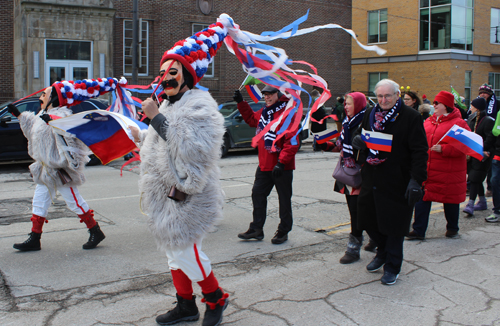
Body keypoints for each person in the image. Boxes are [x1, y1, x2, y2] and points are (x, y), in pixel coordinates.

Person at [129, 23, 229, 326]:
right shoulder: (169, 106)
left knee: (186, 251)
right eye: (163, 73)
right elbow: (160, 146)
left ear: (187, 75)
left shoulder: (199, 105)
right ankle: (185, 305)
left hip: (189, 195)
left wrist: (155, 117)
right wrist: (140, 134)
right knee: (174, 253)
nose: (166, 78)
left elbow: (192, 149)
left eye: (173, 72)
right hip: (165, 197)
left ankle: (216, 298)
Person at [8, 86, 105, 251]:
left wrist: (53, 123)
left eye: (44, 94)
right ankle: (34, 237)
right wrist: (18, 114)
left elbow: (70, 139)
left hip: (61, 170)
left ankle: (95, 231)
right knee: (39, 202)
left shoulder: (62, 115)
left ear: (53, 98)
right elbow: (31, 128)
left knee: (74, 202)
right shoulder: (40, 115)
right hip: (45, 170)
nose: (41, 96)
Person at [351, 79, 428, 285]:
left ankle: (392, 266)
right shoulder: (370, 113)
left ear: (396, 96)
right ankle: (382, 251)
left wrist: (416, 180)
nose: (383, 100)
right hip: (372, 176)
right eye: (380, 96)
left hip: (397, 179)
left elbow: (420, 151)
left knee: (394, 225)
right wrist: (358, 139)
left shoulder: (411, 117)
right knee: (367, 219)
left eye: (388, 96)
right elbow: (361, 132)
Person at [316, 92, 377, 263]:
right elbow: (340, 146)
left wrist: (365, 144)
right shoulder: (347, 123)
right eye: (345, 104)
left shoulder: (368, 122)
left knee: (360, 212)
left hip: (363, 173)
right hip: (348, 173)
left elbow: (377, 147)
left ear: (358, 105)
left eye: (349, 104)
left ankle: (354, 247)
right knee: (356, 211)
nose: (346, 107)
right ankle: (374, 239)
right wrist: (325, 145)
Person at [234, 85, 299, 245]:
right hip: (264, 164)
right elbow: (251, 119)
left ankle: (283, 231)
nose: (267, 97)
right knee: (258, 194)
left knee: (284, 200)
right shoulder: (265, 113)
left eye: (270, 94)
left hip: (281, 166)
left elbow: (292, 141)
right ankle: (257, 229)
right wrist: (241, 102)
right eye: (265, 94)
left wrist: (282, 162)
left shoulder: (288, 113)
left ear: (278, 94)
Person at [408, 91, 470, 241]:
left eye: (438, 103)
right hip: (428, 169)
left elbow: (466, 146)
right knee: (423, 199)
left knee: (450, 200)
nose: (434, 105)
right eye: (434, 102)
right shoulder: (428, 121)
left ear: (446, 106)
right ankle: (418, 230)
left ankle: (452, 228)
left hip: (449, 171)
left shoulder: (459, 123)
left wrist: (445, 149)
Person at [463, 97, 494, 215]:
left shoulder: (487, 121)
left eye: (472, 106)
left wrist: (480, 148)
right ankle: (482, 201)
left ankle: (470, 204)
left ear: (477, 108)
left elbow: (490, 138)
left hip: (483, 155)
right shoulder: (472, 120)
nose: (470, 108)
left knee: (475, 178)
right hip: (472, 154)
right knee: (475, 178)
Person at [478, 83, 499, 197]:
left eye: (485, 93)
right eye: (481, 93)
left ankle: (490, 187)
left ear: (490, 94)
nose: (482, 95)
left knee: (491, 166)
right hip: (480, 138)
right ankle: (472, 186)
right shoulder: (478, 105)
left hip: (493, 139)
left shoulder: (496, 105)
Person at [483, 109, 500, 223]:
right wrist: (485, 148)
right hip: (498, 155)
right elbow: (494, 132)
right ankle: (497, 211)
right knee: (495, 182)